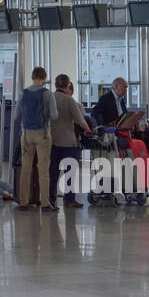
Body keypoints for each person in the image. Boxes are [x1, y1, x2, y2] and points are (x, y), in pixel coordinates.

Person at [15, 68, 56, 212]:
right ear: (44, 77)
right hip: (43, 134)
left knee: (25, 169)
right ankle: (45, 203)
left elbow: (15, 116)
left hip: (26, 134)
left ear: (32, 77)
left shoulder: (23, 93)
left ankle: (23, 202)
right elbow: (55, 115)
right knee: (43, 170)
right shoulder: (47, 94)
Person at [49, 74, 93, 208]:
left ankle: (51, 198)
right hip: (68, 142)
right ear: (68, 85)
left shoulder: (49, 98)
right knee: (70, 171)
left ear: (55, 84)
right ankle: (69, 199)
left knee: (53, 172)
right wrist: (88, 130)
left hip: (51, 140)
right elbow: (80, 120)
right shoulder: (69, 100)